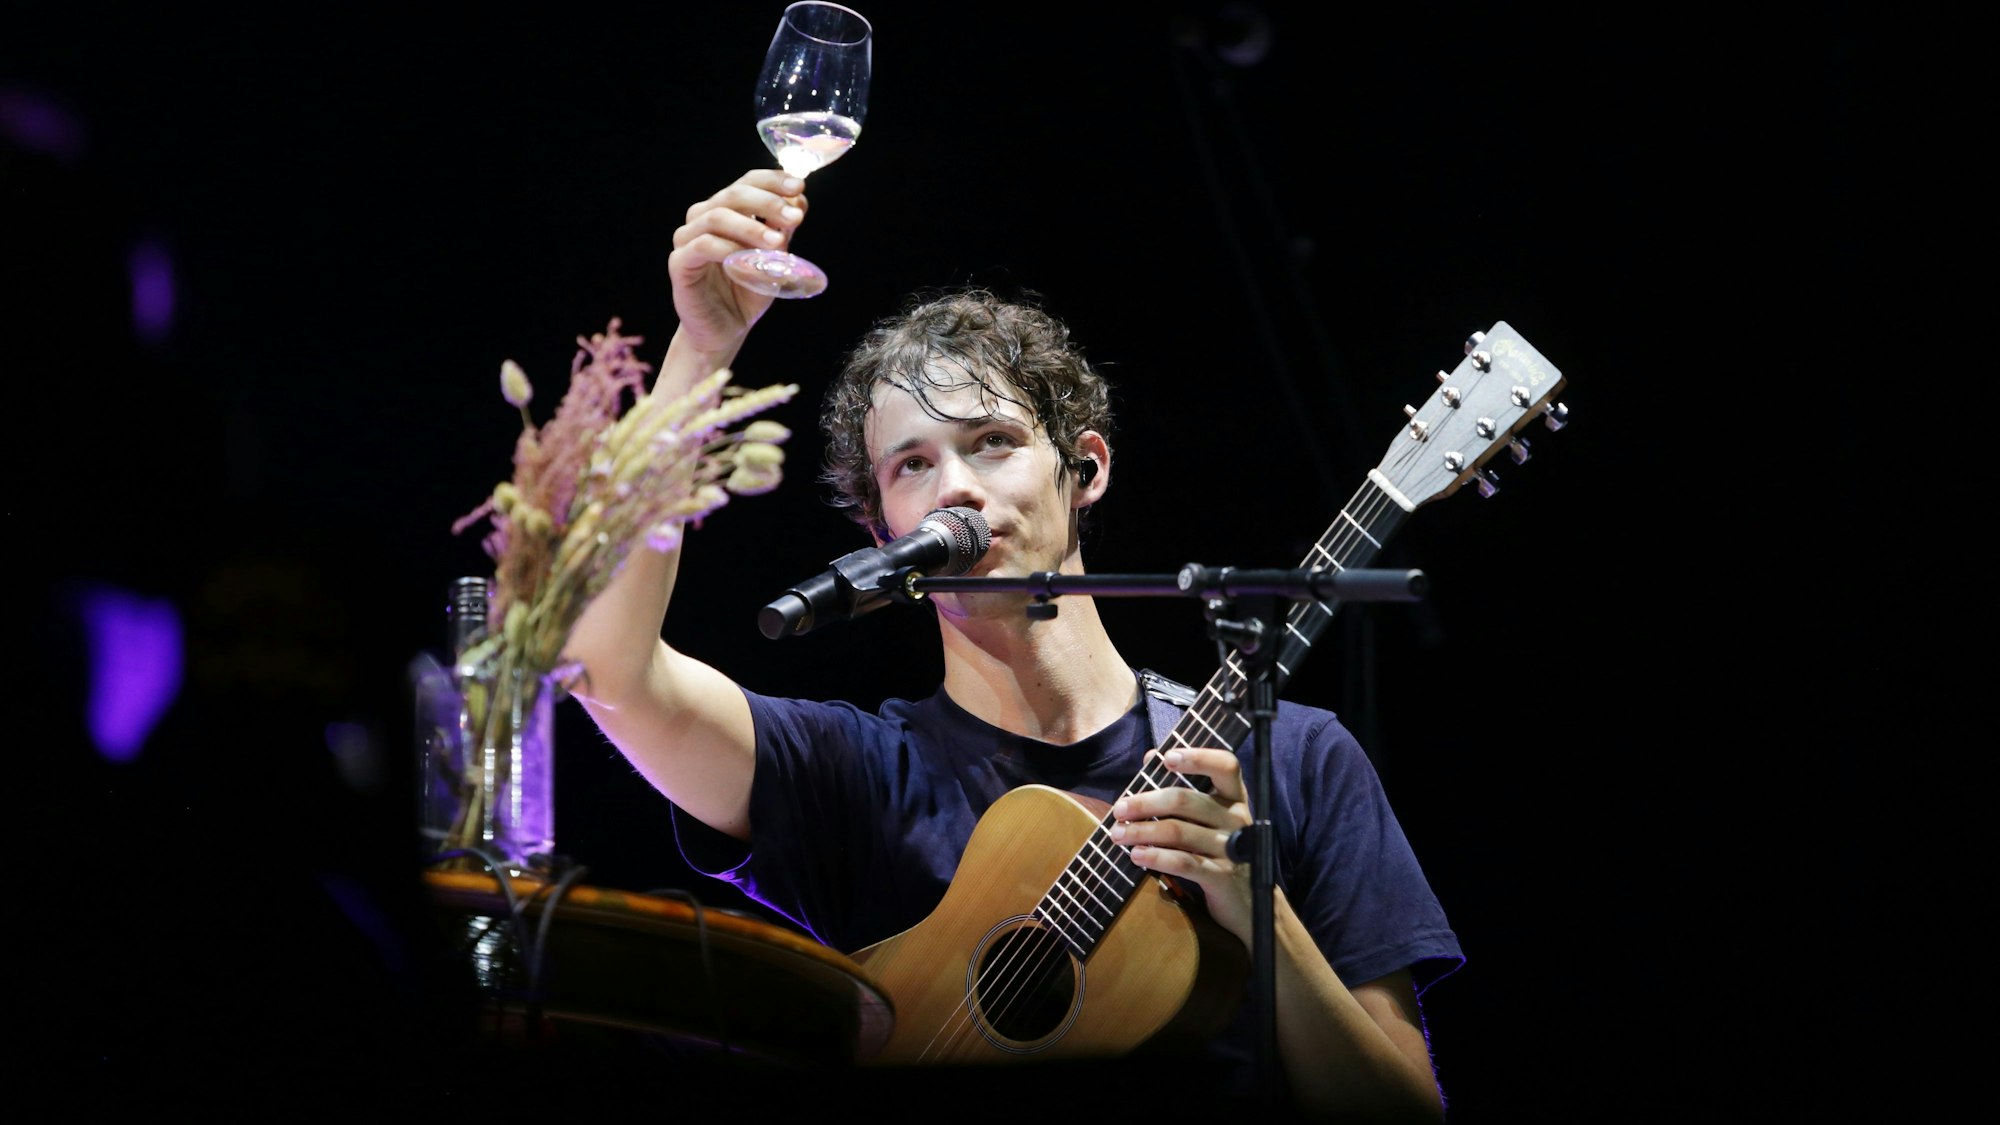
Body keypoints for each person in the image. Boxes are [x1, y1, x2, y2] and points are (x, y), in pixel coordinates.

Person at [564, 167, 1463, 1121]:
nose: (955, 483)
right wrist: (701, 353)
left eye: (991, 439)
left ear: (1086, 468)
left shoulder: (1292, 757)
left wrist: (1262, 911)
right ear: (881, 532)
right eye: (913, 463)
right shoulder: (857, 775)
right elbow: (607, 670)